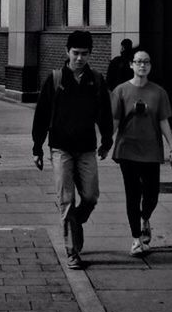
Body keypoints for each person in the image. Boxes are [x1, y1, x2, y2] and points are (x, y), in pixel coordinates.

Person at [32, 30, 113, 270]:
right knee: (66, 199)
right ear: (67, 52)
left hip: (86, 147)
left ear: (90, 54)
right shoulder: (55, 78)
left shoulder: (96, 79)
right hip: (60, 149)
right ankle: (72, 251)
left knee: (90, 196)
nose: (79, 58)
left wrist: (106, 141)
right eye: (75, 53)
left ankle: (74, 222)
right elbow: (42, 114)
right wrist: (37, 147)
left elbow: (105, 113)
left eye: (84, 54)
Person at [111, 49, 172, 256]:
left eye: (146, 62)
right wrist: (105, 143)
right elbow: (114, 121)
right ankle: (136, 239)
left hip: (151, 150)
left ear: (150, 66)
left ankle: (144, 218)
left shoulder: (158, 92)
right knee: (132, 195)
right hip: (127, 149)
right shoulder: (120, 91)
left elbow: (163, 121)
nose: (142, 65)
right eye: (138, 62)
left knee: (152, 195)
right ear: (131, 65)